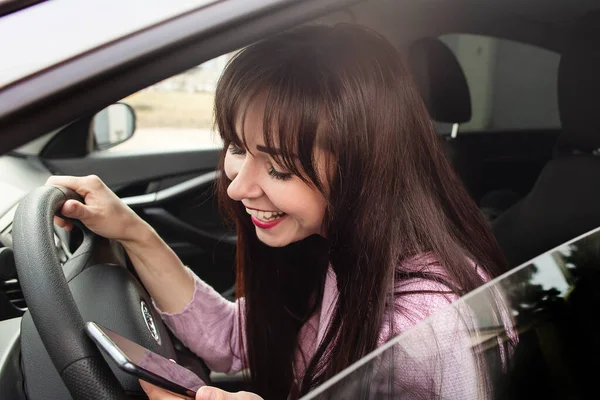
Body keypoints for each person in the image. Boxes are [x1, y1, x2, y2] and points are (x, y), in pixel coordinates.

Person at [48, 24, 512, 400]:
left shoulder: (422, 327)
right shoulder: (336, 252)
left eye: (281, 169)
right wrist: (131, 230)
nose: (237, 185)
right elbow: (235, 340)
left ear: (362, 167)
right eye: (235, 147)